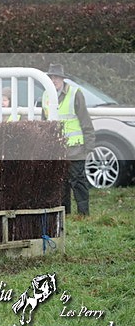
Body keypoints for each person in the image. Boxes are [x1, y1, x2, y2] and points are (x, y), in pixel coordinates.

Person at [41, 63, 95, 216]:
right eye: (51, 77)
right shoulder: (45, 95)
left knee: (78, 181)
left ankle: (83, 213)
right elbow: (44, 123)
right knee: (61, 182)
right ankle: (66, 214)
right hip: (57, 148)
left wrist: (89, 146)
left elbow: (85, 121)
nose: (53, 80)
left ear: (62, 79)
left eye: (56, 77)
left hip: (76, 147)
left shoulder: (75, 93)